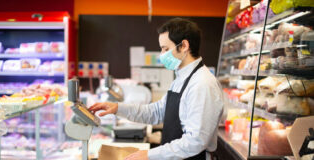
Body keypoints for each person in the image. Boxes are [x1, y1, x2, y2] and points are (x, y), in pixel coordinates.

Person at [89, 17, 224, 160]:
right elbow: (156, 112)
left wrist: (149, 155)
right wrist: (117, 108)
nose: (162, 54)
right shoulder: (180, 79)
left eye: (166, 48)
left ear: (184, 45)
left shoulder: (202, 84)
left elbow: (195, 142)